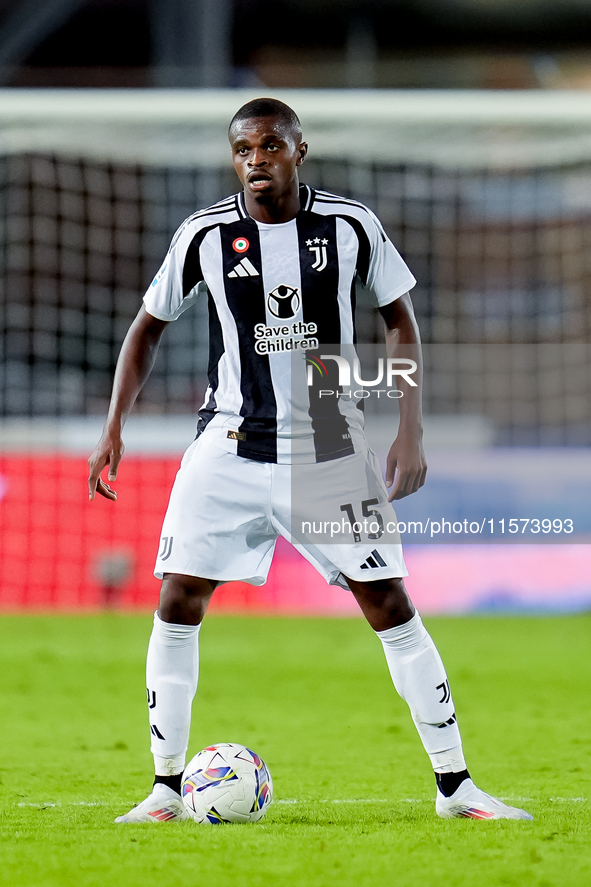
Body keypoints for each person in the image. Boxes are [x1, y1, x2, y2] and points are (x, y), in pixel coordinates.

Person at [88, 98, 532, 823]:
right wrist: (114, 427)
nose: (255, 160)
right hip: (228, 438)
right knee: (176, 599)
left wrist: (408, 427)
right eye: (242, 150)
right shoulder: (203, 234)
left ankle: (456, 787)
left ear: (299, 149)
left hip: (328, 430)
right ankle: (166, 789)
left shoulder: (350, 225)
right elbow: (147, 328)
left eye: (269, 146)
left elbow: (399, 319)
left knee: (388, 603)